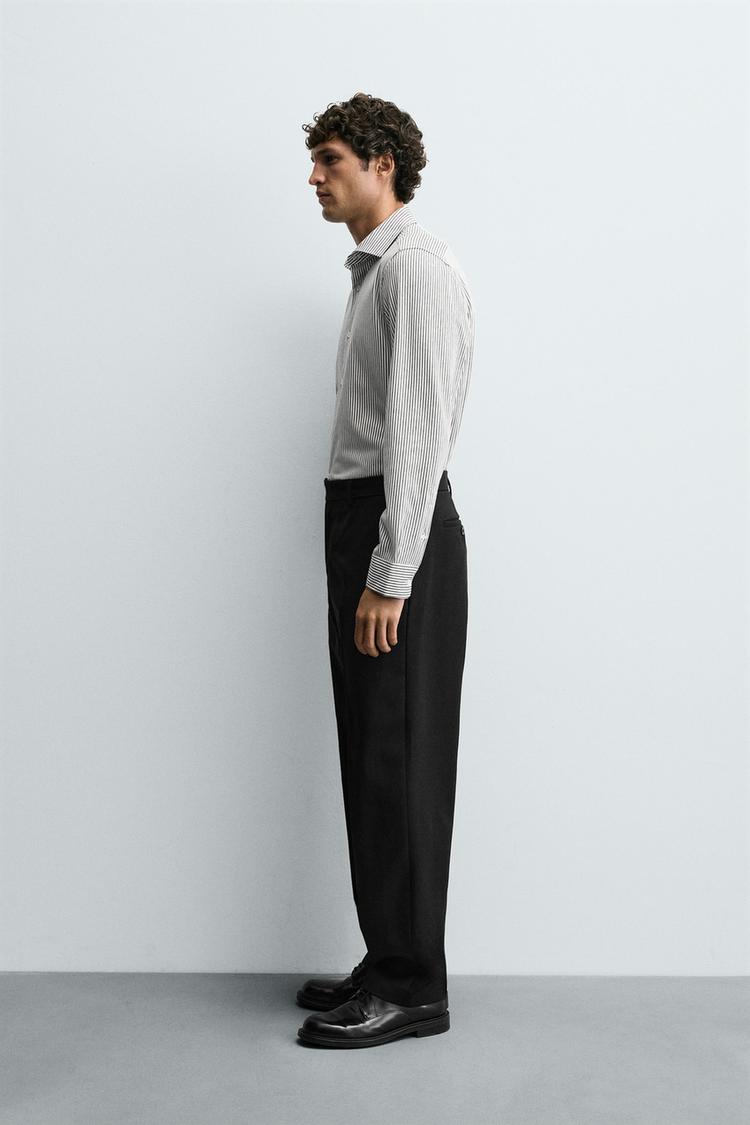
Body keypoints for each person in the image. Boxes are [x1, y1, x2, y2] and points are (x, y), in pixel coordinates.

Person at [296, 92, 475, 1049]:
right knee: (371, 753)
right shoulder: (372, 272)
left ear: (382, 163)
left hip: (394, 528)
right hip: (361, 519)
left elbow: (418, 435)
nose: (314, 178)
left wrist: (391, 571)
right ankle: (389, 953)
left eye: (330, 159)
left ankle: (414, 986)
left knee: (400, 758)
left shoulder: (415, 269)